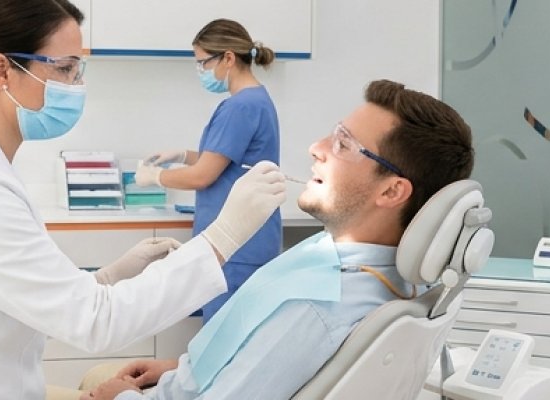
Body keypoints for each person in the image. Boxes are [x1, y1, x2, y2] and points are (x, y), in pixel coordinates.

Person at [0, 1, 289, 398]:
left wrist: (111, 276)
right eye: (66, 68)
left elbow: (41, 297)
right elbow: (95, 323)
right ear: (1, 71)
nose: (77, 85)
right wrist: (222, 239)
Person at [82, 80, 476, 400]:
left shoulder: (317, 307)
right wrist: (186, 369)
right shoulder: (360, 267)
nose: (316, 147)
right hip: (186, 381)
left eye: (343, 144)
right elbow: (267, 363)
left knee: (88, 380)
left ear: (391, 191)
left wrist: (119, 397)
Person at [134, 19, 284, 320]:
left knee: (223, 338)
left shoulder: (240, 107)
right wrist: (184, 155)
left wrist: (155, 177)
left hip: (236, 249)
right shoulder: (256, 100)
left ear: (228, 57)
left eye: (203, 62)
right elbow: (227, 160)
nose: (201, 70)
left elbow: (203, 176)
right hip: (249, 243)